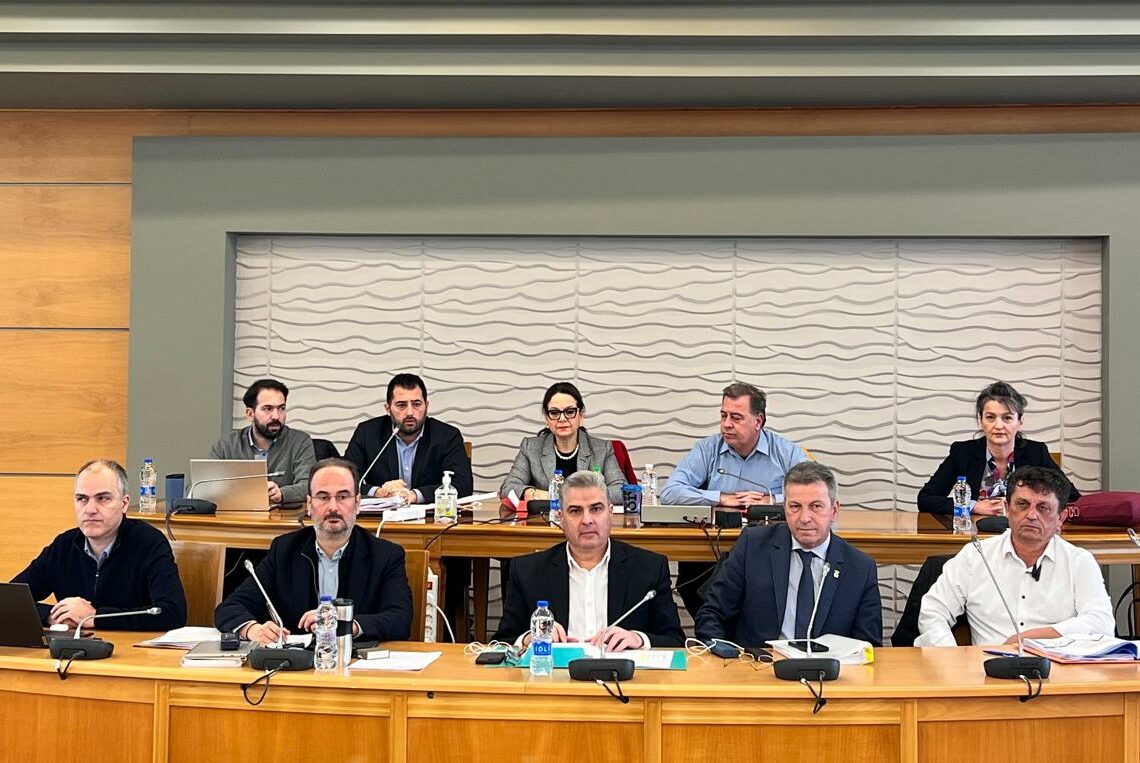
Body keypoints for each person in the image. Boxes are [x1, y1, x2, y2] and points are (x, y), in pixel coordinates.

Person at [215, 458, 413, 643]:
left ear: (357, 504)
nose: (333, 507)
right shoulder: (284, 550)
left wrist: (345, 625)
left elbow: (401, 619)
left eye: (343, 497)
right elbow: (229, 608)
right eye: (323, 497)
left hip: (355, 661)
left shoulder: (385, 555)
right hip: (295, 663)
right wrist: (252, 629)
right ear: (309, 505)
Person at [915, 466, 1112, 647]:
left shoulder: (1079, 561)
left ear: (1061, 517)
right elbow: (934, 611)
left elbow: (1102, 624)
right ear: (1007, 510)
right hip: (986, 667)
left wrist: (1031, 638)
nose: (1032, 515)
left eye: (1043, 508)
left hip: (1057, 667)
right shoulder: (975, 555)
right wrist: (950, 657)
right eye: (1022, 505)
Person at [659, 382, 809, 616]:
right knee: (694, 585)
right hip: (714, 550)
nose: (726, 424)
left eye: (736, 418)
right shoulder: (708, 449)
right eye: (723, 415)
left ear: (758, 421)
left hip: (769, 549)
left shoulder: (786, 452)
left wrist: (770, 500)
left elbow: (813, 493)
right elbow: (670, 492)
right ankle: (714, 630)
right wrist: (721, 498)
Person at [695, 461, 882, 647]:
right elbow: (712, 615)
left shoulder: (860, 568)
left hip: (829, 664)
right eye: (795, 507)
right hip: (759, 662)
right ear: (784, 509)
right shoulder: (752, 546)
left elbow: (868, 645)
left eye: (816, 506)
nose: (805, 518)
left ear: (834, 510)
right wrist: (726, 656)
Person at [493, 470, 685, 650]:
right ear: (560, 518)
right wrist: (529, 638)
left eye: (596, 509)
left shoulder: (649, 568)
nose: (587, 520)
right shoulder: (527, 571)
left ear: (610, 512)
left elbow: (675, 641)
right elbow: (502, 642)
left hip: (621, 672)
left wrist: (639, 639)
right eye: (575, 511)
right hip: (554, 672)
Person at [343, 373, 473, 637]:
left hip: (432, 531)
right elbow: (346, 478)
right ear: (387, 408)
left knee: (453, 565)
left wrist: (414, 495)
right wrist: (378, 491)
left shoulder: (446, 436)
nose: (410, 412)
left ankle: (443, 634)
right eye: (401, 405)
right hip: (381, 532)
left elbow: (463, 484)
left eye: (417, 404)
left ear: (427, 405)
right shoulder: (368, 433)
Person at [12, 459, 187, 631]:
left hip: (130, 647)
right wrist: (54, 615)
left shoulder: (149, 543)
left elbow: (172, 612)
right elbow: (9, 600)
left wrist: (95, 617)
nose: (90, 509)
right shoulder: (63, 546)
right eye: (82, 499)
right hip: (75, 645)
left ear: (124, 504)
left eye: (102, 498)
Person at [918, 381, 1078, 516]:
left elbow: (1072, 498)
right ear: (981, 421)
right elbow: (926, 499)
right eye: (990, 417)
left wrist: (1032, 507)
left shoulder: (1036, 453)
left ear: (1020, 422)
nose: (998, 426)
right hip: (976, 533)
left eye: (1007, 418)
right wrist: (973, 506)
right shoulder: (963, 453)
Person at [500, 382, 625, 505]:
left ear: (581, 416)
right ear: (546, 419)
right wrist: (536, 494)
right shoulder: (530, 448)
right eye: (554, 413)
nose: (562, 418)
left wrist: (577, 497)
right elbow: (507, 488)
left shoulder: (602, 449)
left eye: (569, 412)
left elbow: (621, 490)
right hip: (545, 518)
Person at [209, 378, 316, 507]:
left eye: (281, 408)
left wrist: (281, 494)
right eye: (267, 409)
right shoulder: (227, 445)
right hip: (234, 516)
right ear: (250, 414)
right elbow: (202, 486)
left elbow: (309, 485)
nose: (276, 416)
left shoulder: (300, 441)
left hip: (282, 518)